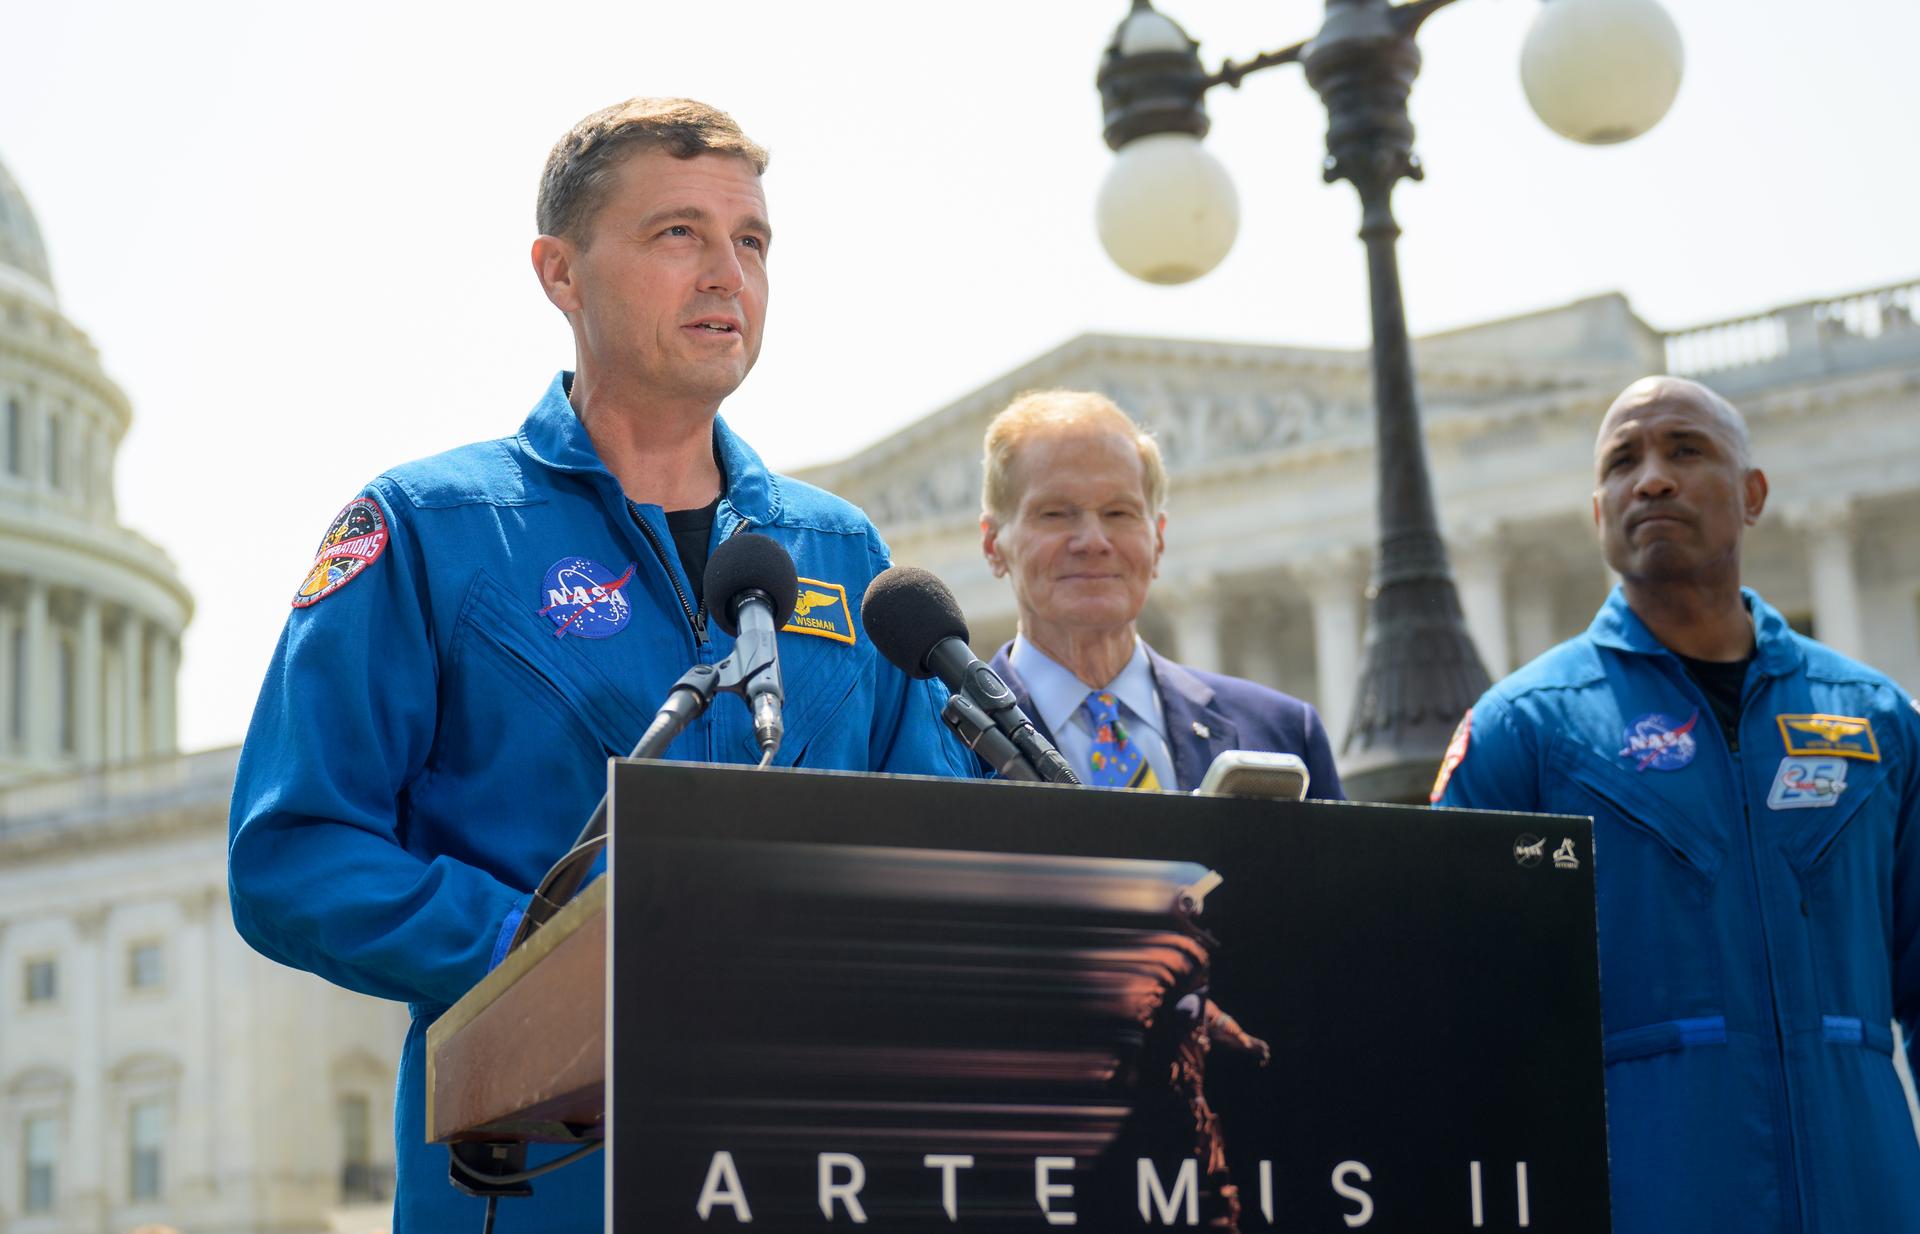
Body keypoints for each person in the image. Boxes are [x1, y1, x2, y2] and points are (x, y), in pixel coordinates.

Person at [226, 98, 974, 1234]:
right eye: (679, 233)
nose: (727, 274)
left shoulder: (842, 553)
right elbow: (294, 850)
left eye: (752, 241)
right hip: (536, 1187)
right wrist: (541, 952)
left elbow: (930, 845)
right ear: (560, 274)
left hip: (808, 1173)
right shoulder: (430, 530)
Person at [1433, 375, 1920, 1233]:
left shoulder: (1877, 720)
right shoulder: (1525, 730)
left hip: (1869, 1200)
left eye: (1685, 451)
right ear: (1598, 513)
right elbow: (1452, 1013)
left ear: (1753, 494)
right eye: (1623, 462)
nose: (1652, 478)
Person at [978, 390, 1342, 796]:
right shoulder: (949, 744)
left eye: (1119, 513)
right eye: (1055, 513)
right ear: (993, 545)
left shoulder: (1284, 734)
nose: (1093, 541)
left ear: (1159, 540)